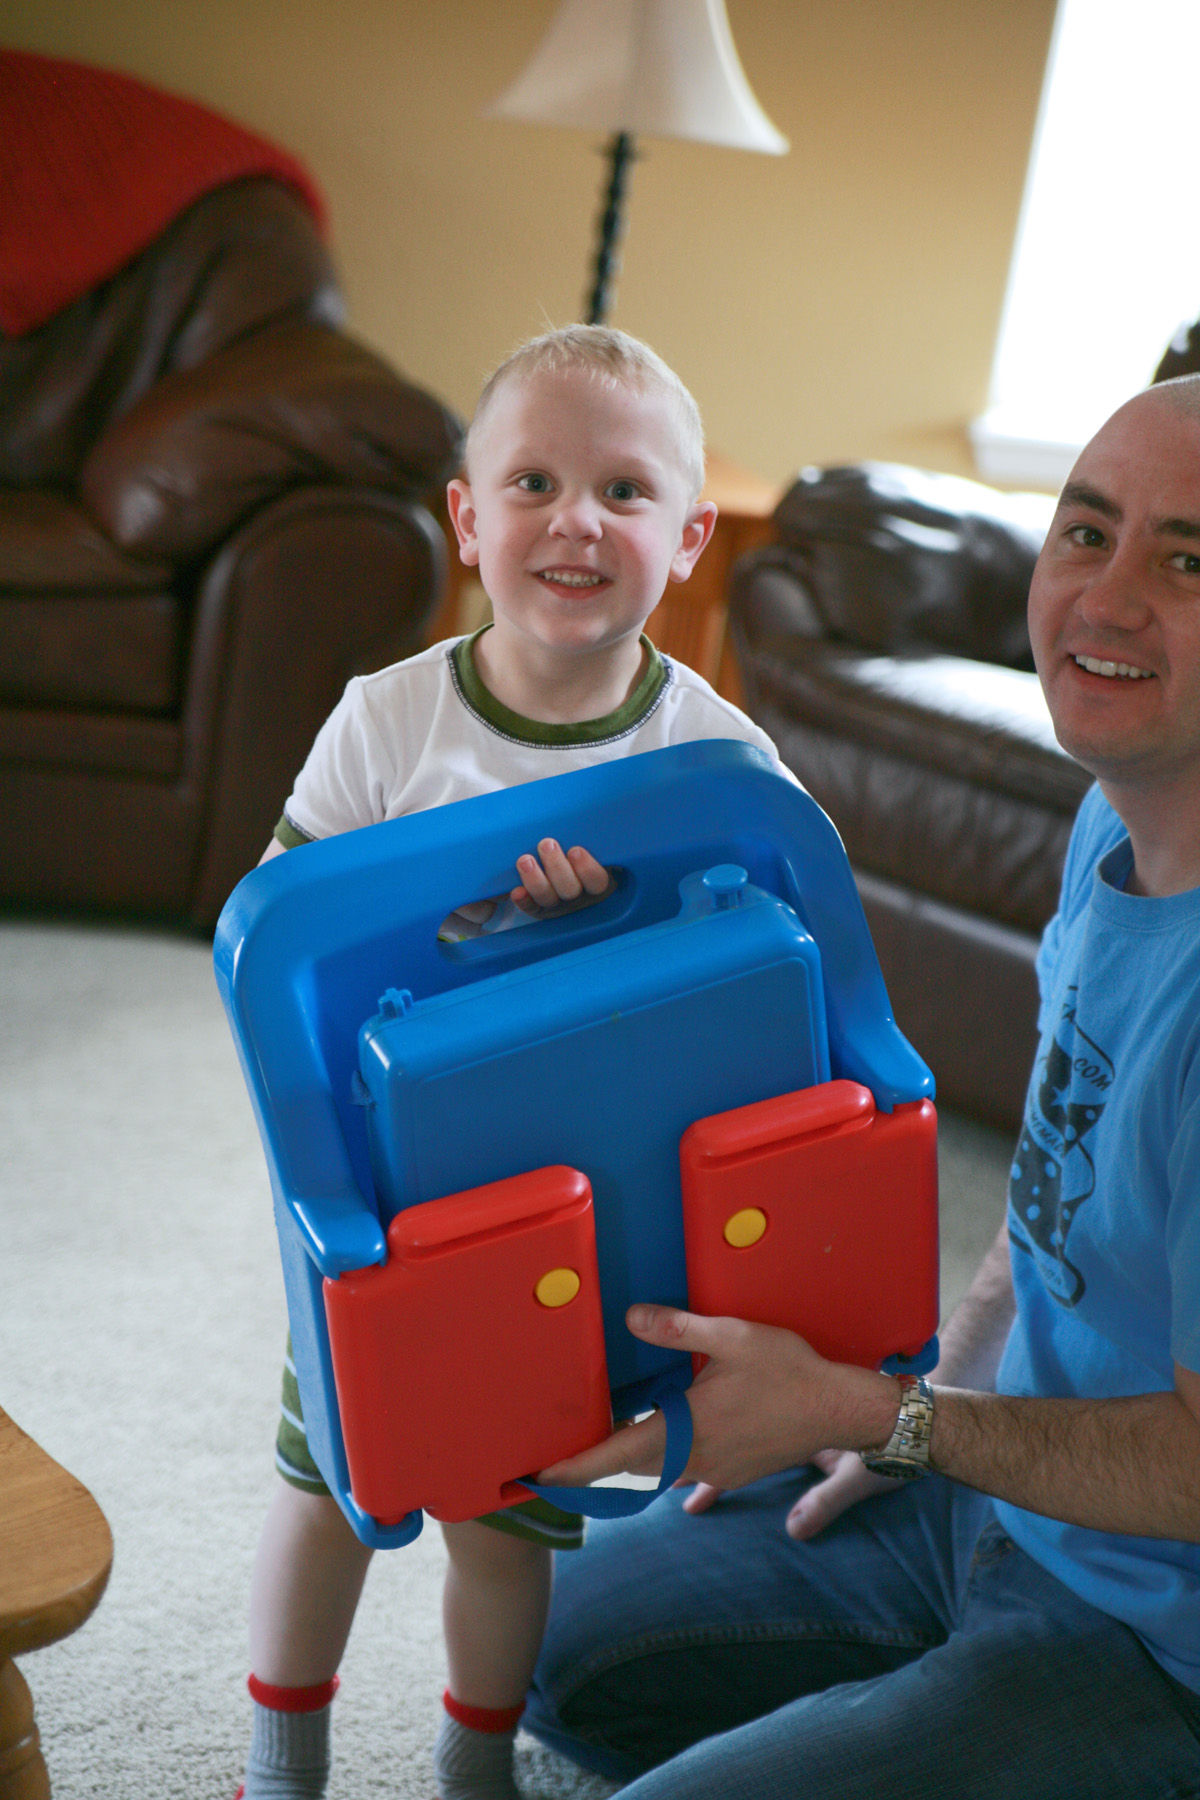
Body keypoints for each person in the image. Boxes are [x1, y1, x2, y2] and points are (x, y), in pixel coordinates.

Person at [522, 376, 1200, 1798]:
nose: (1107, 599)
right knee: (561, 1647)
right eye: (1088, 532)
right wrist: (939, 1403)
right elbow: (1055, 1187)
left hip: (1165, 1647)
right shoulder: (1116, 820)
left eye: (1187, 561)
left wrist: (878, 1417)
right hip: (1005, 1499)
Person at [235, 324, 796, 1800]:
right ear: (468, 519)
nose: (575, 521)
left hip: (590, 1213)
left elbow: (773, 984)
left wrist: (624, 923)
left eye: (625, 491)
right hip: (385, 1199)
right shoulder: (389, 720)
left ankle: (475, 1762)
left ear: (689, 539)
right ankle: (282, 1758)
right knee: (331, 1483)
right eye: (534, 482)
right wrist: (464, 927)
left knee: (511, 1515)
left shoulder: (714, 760)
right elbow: (276, 954)